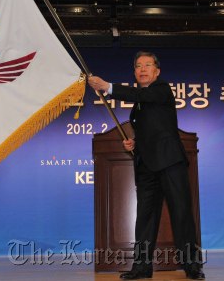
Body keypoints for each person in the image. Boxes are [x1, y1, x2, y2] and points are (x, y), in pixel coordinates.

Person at [88, 51, 205, 280]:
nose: (142, 69)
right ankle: (141, 266)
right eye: (138, 66)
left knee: (181, 213)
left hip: (170, 161)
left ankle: (191, 265)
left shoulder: (161, 90)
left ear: (157, 71)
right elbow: (152, 127)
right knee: (145, 217)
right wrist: (136, 143)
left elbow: (142, 96)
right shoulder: (140, 104)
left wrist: (108, 87)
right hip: (146, 165)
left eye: (147, 65)